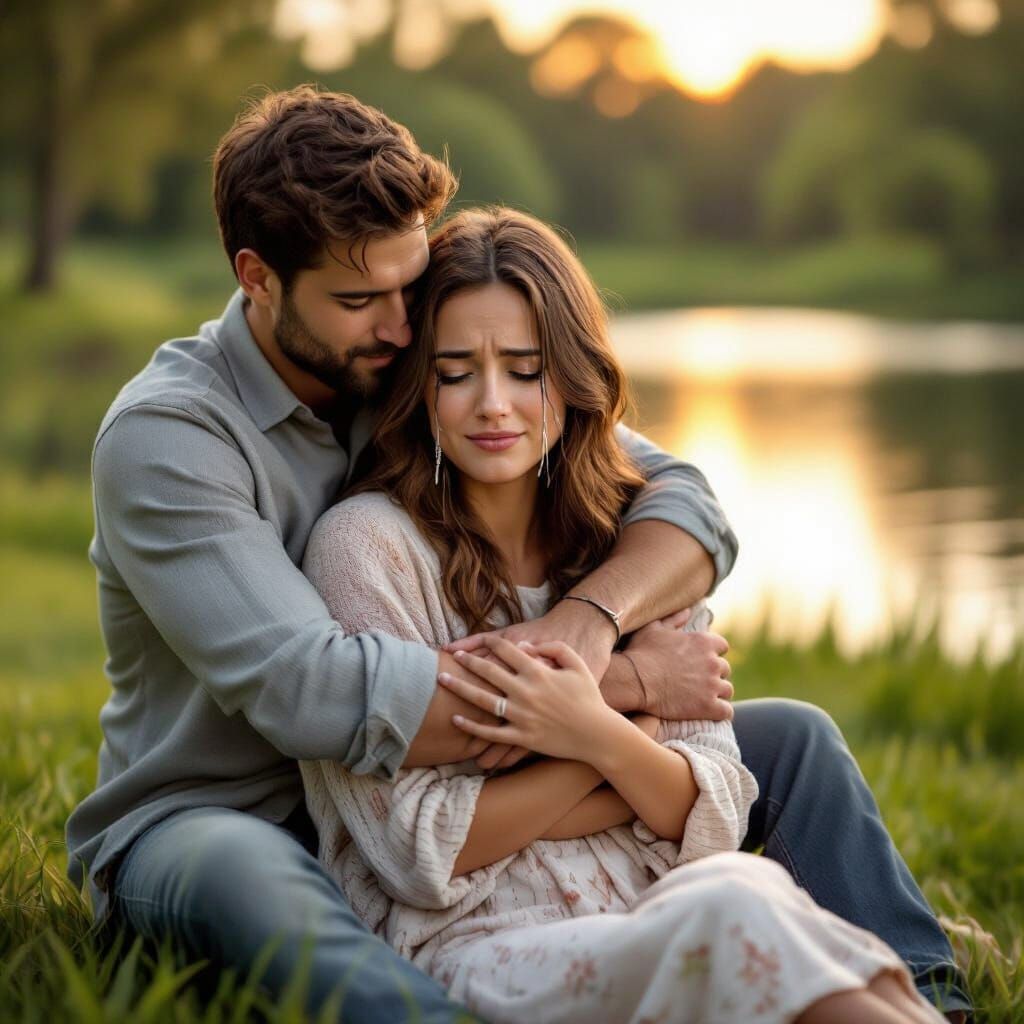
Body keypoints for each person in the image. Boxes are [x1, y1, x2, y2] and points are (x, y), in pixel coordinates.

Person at [65, 86, 970, 1021]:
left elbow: (682, 504)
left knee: (791, 741)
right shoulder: (171, 438)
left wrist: (589, 619)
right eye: (359, 299)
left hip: (452, 780)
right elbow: (316, 693)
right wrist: (619, 690)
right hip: (233, 814)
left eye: (411, 285)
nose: (401, 324)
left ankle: (932, 994)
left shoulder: (409, 366)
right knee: (259, 882)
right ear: (258, 278)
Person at [299, 206, 945, 1024]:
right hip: (482, 943)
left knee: (747, 884)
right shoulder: (364, 550)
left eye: (526, 371)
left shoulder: (629, 544)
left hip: (657, 894)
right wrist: (613, 724)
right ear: (418, 386)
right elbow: (420, 848)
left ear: (572, 376)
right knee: (734, 909)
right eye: (456, 373)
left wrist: (586, 738)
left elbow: (714, 804)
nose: (493, 404)